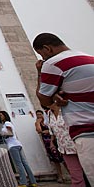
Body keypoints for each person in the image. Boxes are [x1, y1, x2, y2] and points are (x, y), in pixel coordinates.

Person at [33, 33, 94, 185]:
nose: (43, 58)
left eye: (41, 54)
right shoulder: (89, 58)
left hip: (86, 130)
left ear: (47, 48)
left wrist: (40, 72)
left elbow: (44, 100)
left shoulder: (53, 63)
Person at [47, 103, 86, 187]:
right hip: (65, 148)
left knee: (89, 172)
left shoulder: (67, 109)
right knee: (76, 176)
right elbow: (52, 131)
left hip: (78, 144)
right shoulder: (49, 113)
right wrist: (52, 143)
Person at [0, 110, 37, 187]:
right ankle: (33, 181)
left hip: (12, 145)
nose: (0, 117)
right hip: (17, 144)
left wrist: (2, 134)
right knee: (24, 163)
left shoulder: (7, 123)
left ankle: (23, 182)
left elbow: (10, 133)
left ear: (5, 116)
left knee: (19, 164)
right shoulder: (8, 123)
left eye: (1, 115)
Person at [35, 109, 67, 183]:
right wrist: (38, 123)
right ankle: (60, 176)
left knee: (63, 158)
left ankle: (70, 175)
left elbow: (53, 130)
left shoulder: (48, 121)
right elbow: (39, 131)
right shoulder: (38, 123)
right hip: (47, 143)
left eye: (40, 114)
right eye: (37, 115)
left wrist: (48, 132)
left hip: (55, 141)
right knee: (55, 160)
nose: (39, 116)